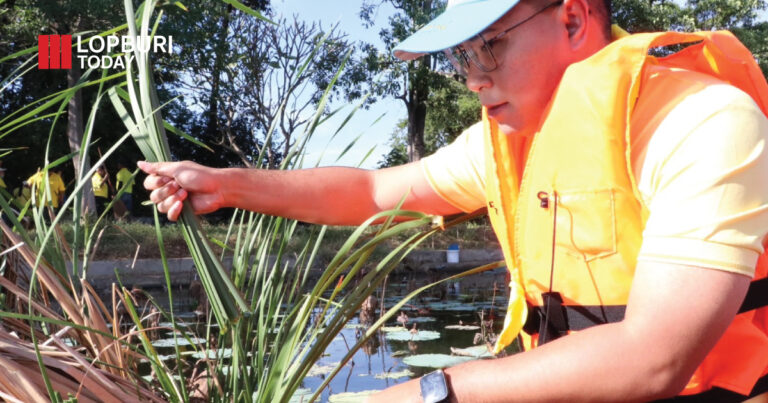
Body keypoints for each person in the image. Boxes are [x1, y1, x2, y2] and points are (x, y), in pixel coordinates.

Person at [140, 0, 768, 400]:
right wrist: (227, 184)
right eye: (462, 54)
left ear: (573, 19)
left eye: (489, 44)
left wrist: (425, 392)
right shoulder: (500, 143)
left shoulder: (700, 120)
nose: (473, 76)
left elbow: (655, 357)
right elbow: (369, 191)